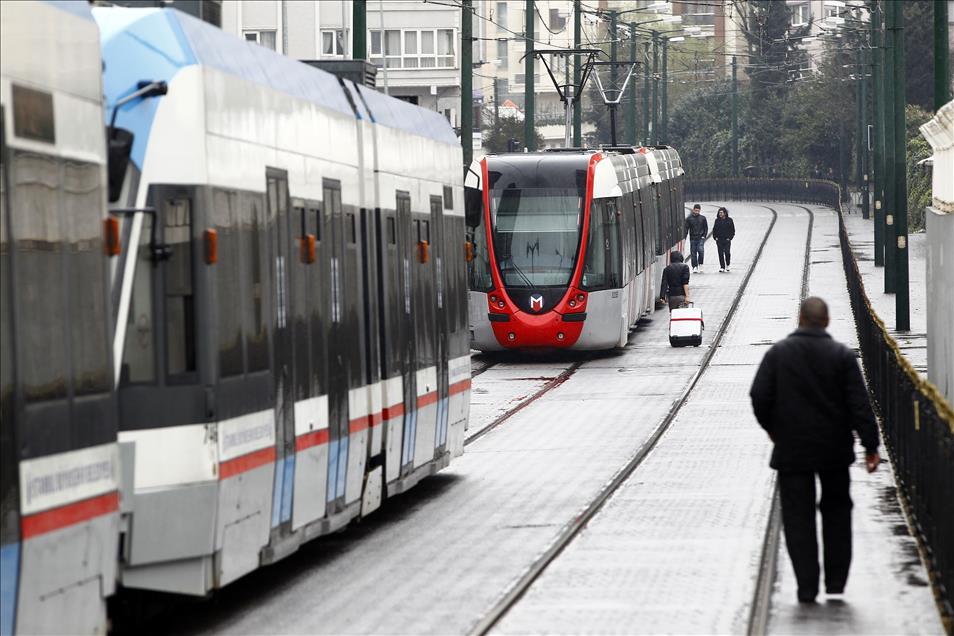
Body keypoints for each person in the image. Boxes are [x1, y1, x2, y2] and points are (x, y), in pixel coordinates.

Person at [749, 297, 881, 604]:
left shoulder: (778, 354)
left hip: (792, 450)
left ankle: (806, 586)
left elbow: (759, 396)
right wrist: (870, 446)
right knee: (837, 511)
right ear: (827, 321)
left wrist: (773, 429)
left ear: (800, 319)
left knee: (798, 517)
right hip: (834, 450)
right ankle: (835, 581)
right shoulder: (842, 356)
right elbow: (859, 406)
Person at [684, 204, 708, 273]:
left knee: (701, 251)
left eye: (698, 210)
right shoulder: (689, 219)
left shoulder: (703, 218)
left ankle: (700, 264)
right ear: (693, 210)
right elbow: (686, 229)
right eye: (696, 210)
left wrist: (704, 236)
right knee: (693, 253)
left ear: (700, 210)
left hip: (700, 237)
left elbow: (705, 228)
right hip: (693, 238)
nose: (697, 212)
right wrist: (685, 238)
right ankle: (694, 266)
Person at [712, 207, 735, 272]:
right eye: (719, 212)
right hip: (719, 239)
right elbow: (714, 230)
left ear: (725, 213)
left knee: (727, 253)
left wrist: (730, 238)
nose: (720, 214)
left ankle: (727, 264)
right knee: (720, 253)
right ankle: (722, 266)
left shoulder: (729, 220)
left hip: (727, 239)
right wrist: (715, 237)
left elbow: (732, 230)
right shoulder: (717, 220)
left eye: (721, 212)